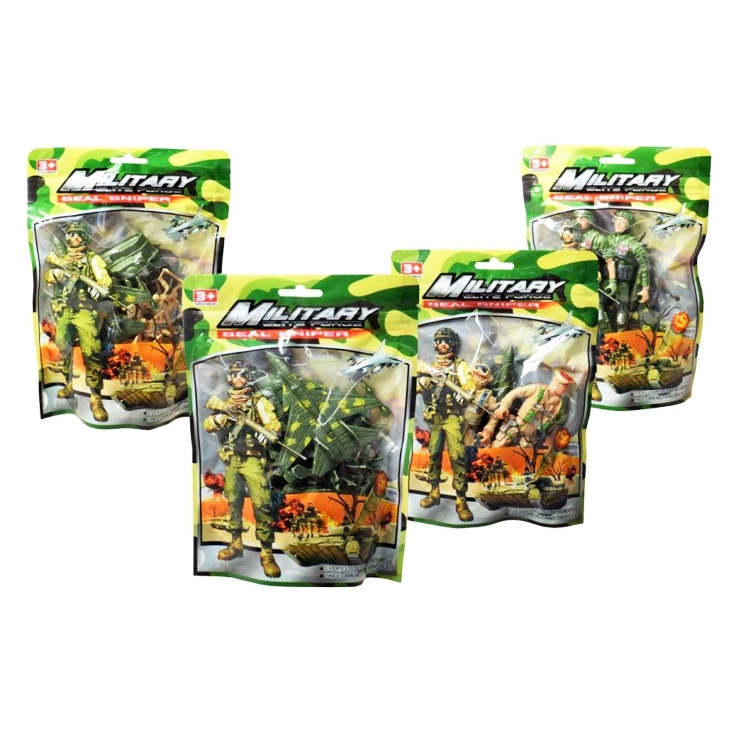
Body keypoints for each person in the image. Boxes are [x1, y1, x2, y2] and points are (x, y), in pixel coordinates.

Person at [203, 361, 283, 578]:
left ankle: (266, 552)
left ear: (250, 377)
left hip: (253, 460)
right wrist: (219, 419)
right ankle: (236, 543)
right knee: (233, 501)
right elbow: (207, 425)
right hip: (231, 459)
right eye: (235, 374)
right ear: (229, 378)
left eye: (244, 374)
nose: (239, 378)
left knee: (261, 504)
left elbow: (273, 424)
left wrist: (267, 434)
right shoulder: (224, 402)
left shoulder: (258, 401)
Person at [44, 219, 112, 422]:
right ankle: (68, 385)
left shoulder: (92, 259)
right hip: (64, 310)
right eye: (72, 234)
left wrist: (102, 288)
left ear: (84, 238)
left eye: (79, 235)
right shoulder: (61, 259)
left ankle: (95, 398)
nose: (75, 238)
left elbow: (105, 278)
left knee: (91, 351)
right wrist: (55, 273)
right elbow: (48, 276)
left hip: (85, 311)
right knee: (63, 347)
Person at [417, 327, 476, 521]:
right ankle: (434, 492)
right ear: (435, 344)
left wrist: (463, 394)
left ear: (452, 344)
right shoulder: (430, 367)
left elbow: (469, 385)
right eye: (440, 341)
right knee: (434, 454)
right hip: (435, 417)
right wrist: (424, 382)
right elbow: (417, 387)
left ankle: (461, 500)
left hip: (452, 417)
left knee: (457, 456)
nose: (443, 345)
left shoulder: (459, 365)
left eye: (447, 341)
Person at [492, 369, 574, 477]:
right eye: (561, 385)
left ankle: (515, 475)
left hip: (532, 432)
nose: (563, 389)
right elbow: (516, 392)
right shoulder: (537, 388)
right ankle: (488, 462)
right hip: (518, 423)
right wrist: (503, 406)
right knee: (500, 442)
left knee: (524, 454)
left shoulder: (559, 403)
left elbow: (554, 422)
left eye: (565, 386)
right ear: (555, 382)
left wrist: (550, 437)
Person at [606, 210, 651, 331]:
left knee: (621, 316)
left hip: (623, 283)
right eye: (616, 220)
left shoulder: (633, 244)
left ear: (629, 224)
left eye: (622, 221)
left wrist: (645, 289)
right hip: (605, 280)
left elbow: (645, 265)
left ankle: (620, 336)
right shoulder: (608, 239)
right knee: (600, 310)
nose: (618, 224)